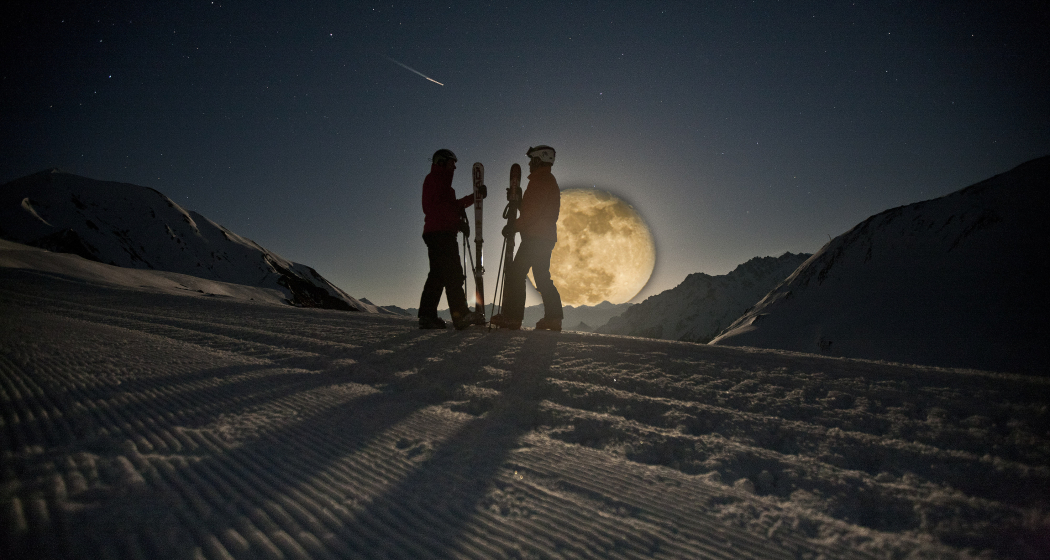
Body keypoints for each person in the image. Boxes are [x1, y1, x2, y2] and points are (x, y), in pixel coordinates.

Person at [490, 145, 563, 331]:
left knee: (516, 273)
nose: (529, 163)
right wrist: (521, 202)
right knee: (542, 277)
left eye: (532, 159)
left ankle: (512, 317)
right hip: (544, 237)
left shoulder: (541, 180)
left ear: (540, 159)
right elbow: (535, 210)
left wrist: (514, 226)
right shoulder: (546, 179)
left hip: (535, 238)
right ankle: (553, 318)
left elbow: (533, 213)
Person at [418, 148, 486, 330]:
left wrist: (474, 197)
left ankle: (427, 316)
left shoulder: (442, 184)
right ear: (441, 162)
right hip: (441, 233)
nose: (454, 167)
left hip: (436, 232)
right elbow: (436, 208)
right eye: (452, 163)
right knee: (453, 274)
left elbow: (450, 206)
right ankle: (460, 315)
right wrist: (458, 223)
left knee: (438, 276)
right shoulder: (435, 181)